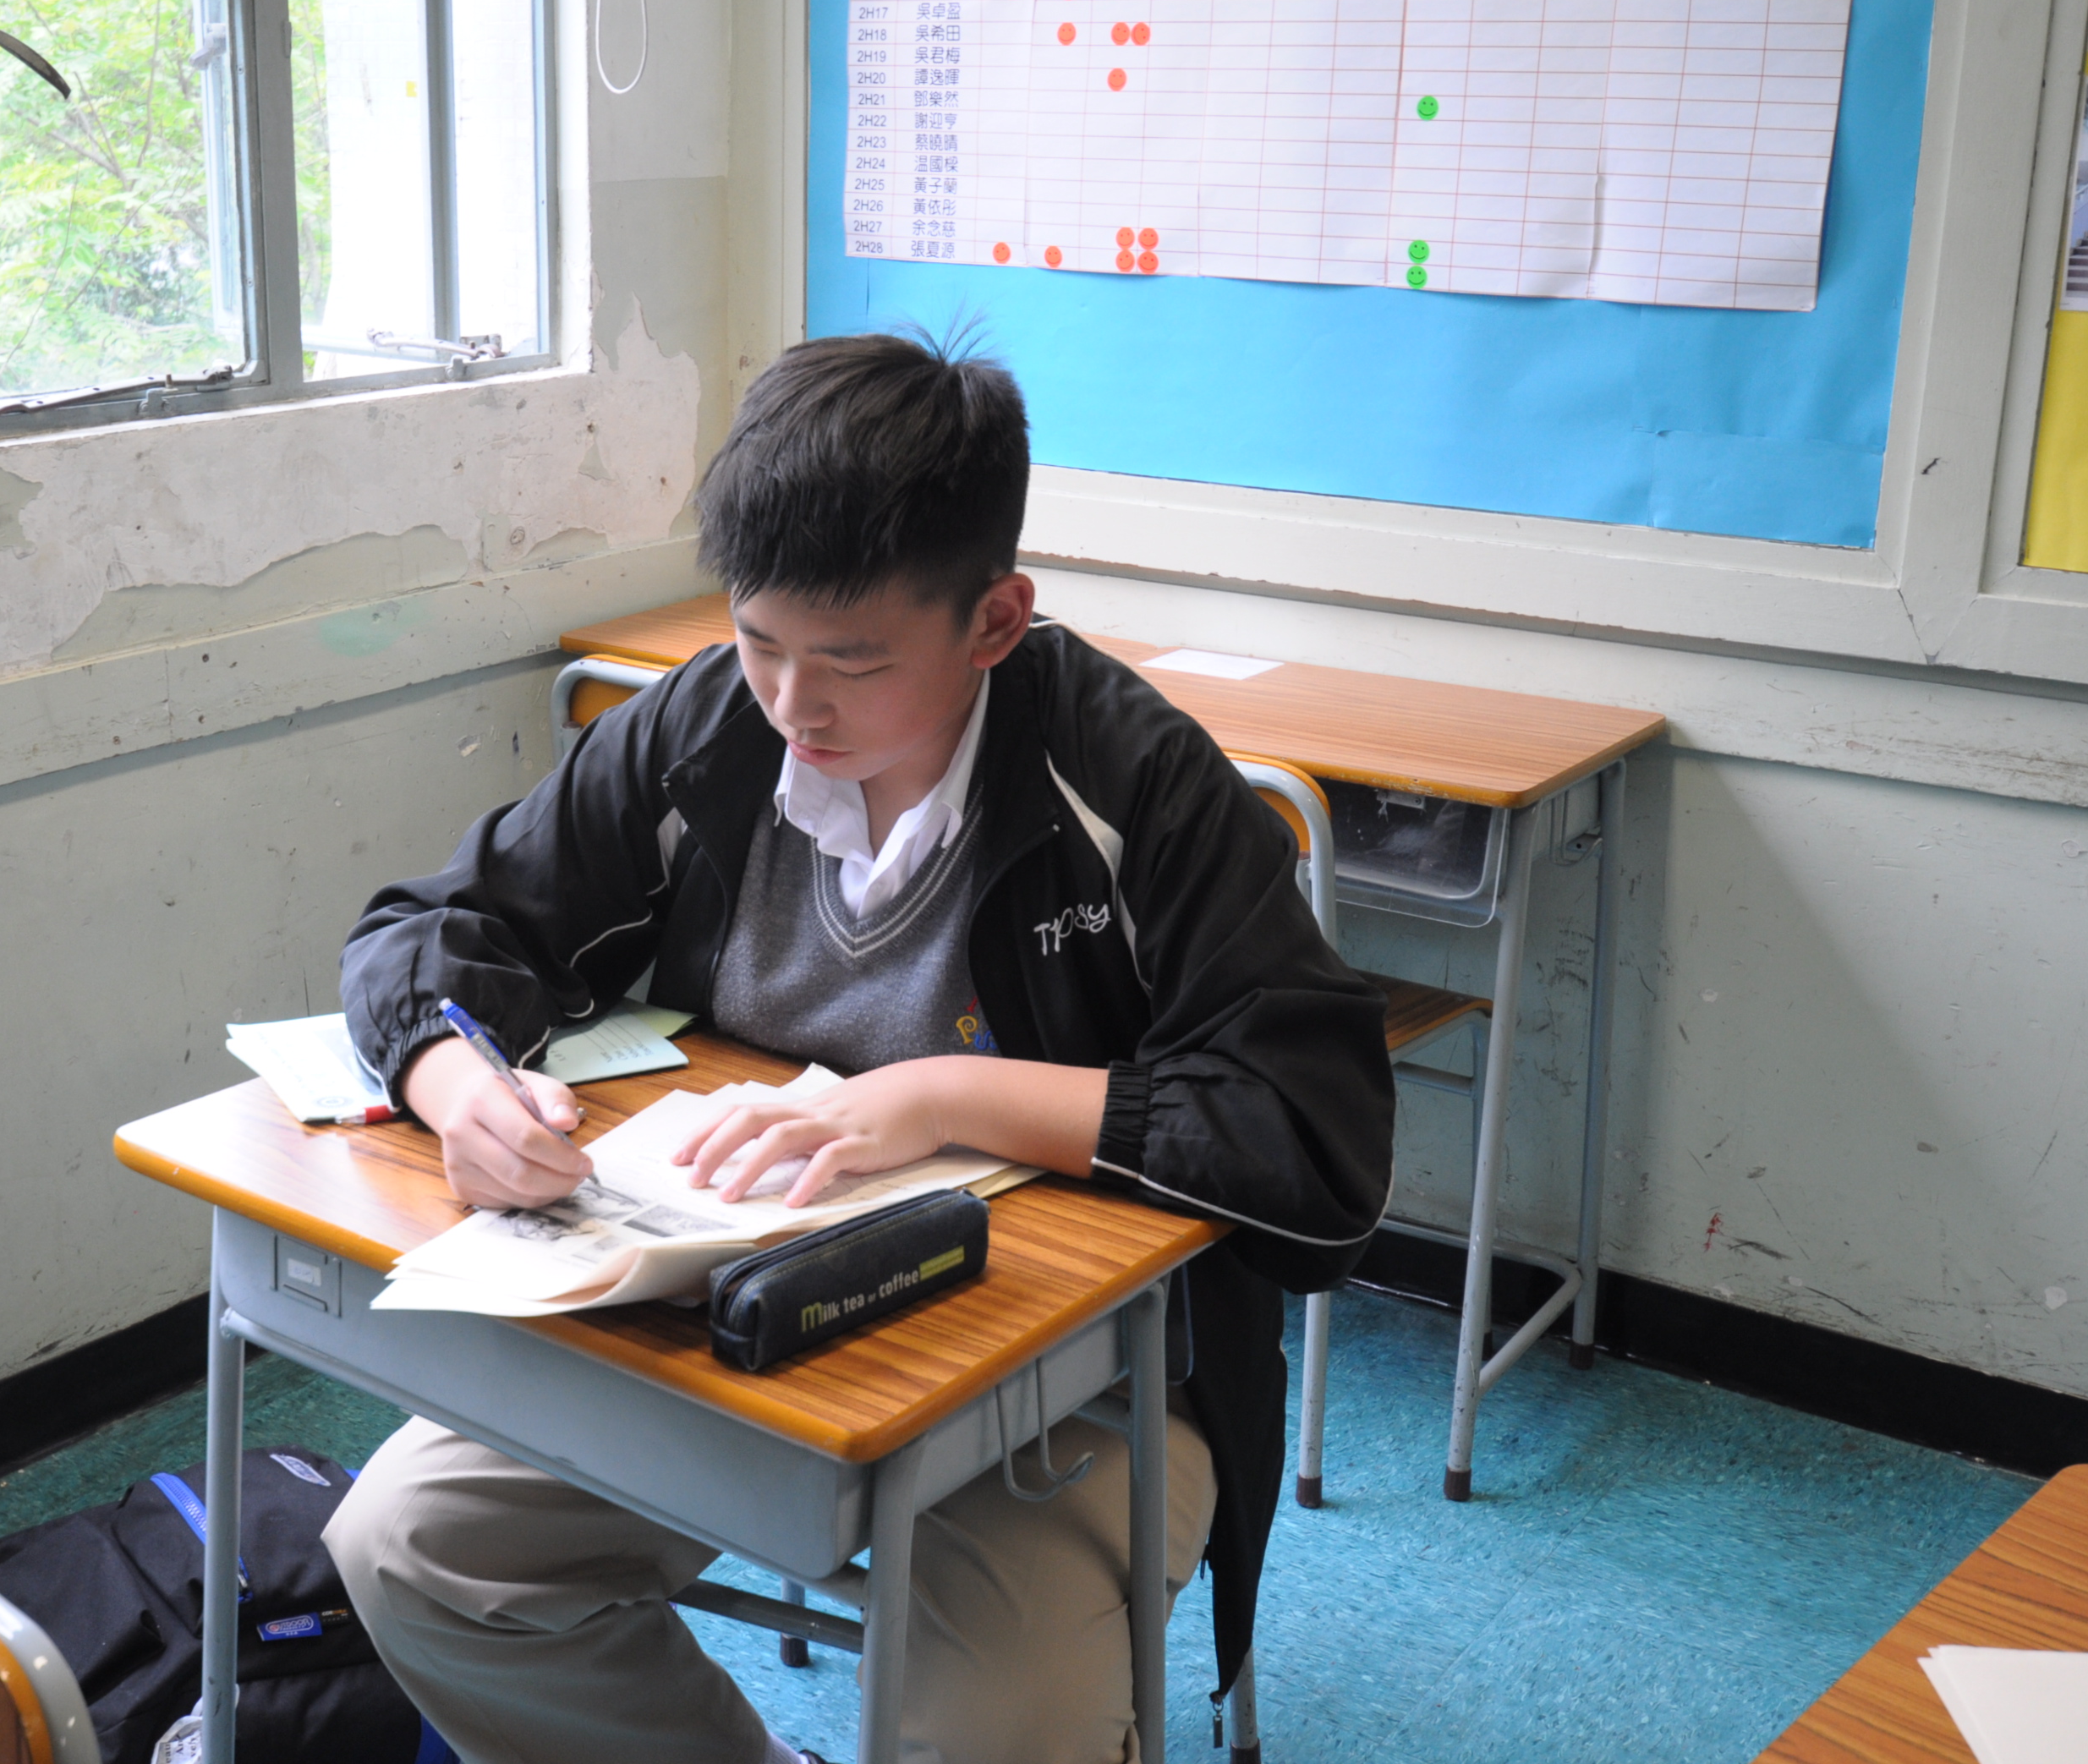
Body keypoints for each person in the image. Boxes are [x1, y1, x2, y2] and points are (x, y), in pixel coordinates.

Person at [325, 332, 1395, 1764]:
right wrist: (457, 1084)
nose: (792, 703)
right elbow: (436, 925)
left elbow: (1312, 1139)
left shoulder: (1132, 777)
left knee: (1004, 1733)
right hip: (735, 1327)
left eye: (853, 660)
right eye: (760, 638)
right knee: (417, 1550)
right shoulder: (711, 724)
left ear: (995, 622)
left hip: (1076, 1383)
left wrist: (942, 1096)